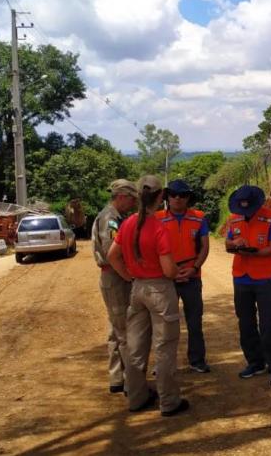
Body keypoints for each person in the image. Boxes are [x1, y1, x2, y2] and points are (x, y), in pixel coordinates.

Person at [107, 175, 190, 417]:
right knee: (164, 347)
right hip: (160, 290)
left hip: (137, 289)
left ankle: (136, 398)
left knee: (135, 347)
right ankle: (169, 401)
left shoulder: (128, 223)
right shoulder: (158, 228)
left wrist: (129, 276)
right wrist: (178, 274)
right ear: (161, 197)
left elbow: (113, 255)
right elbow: (168, 269)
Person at [225, 184, 271, 386]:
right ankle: (255, 362)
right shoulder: (233, 218)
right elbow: (227, 245)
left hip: (264, 278)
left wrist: (254, 252)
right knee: (245, 322)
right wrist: (236, 245)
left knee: (268, 323)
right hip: (241, 277)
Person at [155, 179, 211, 373]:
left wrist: (194, 268)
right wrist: (167, 271)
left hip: (192, 277)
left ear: (189, 198)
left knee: (195, 321)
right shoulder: (157, 218)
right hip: (166, 278)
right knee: (164, 324)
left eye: (183, 195)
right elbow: (152, 248)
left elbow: (204, 246)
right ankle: (162, 363)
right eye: (173, 195)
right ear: (167, 197)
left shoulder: (199, 218)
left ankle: (197, 360)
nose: (177, 198)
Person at [91, 178, 137, 395]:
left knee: (115, 329)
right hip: (116, 277)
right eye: (131, 199)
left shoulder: (115, 216)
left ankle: (117, 378)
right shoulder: (110, 219)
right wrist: (129, 277)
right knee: (125, 331)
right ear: (121, 196)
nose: (133, 204)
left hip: (113, 277)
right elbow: (112, 254)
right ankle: (131, 383)